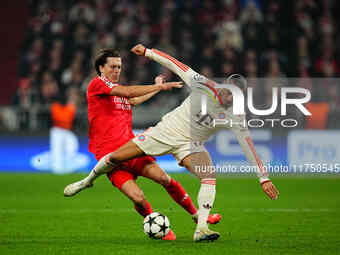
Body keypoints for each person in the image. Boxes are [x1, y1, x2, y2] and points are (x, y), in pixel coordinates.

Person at [65, 45, 279, 242]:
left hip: (190, 144)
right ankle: (87, 181)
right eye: (226, 88)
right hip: (164, 133)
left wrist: (263, 179)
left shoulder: (236, 116)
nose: (226, 94)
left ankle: (201, 227)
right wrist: (148, 52)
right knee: (115, 161)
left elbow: (248, 146)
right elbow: (176, 65)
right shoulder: (204, 85)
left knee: (206, 175)